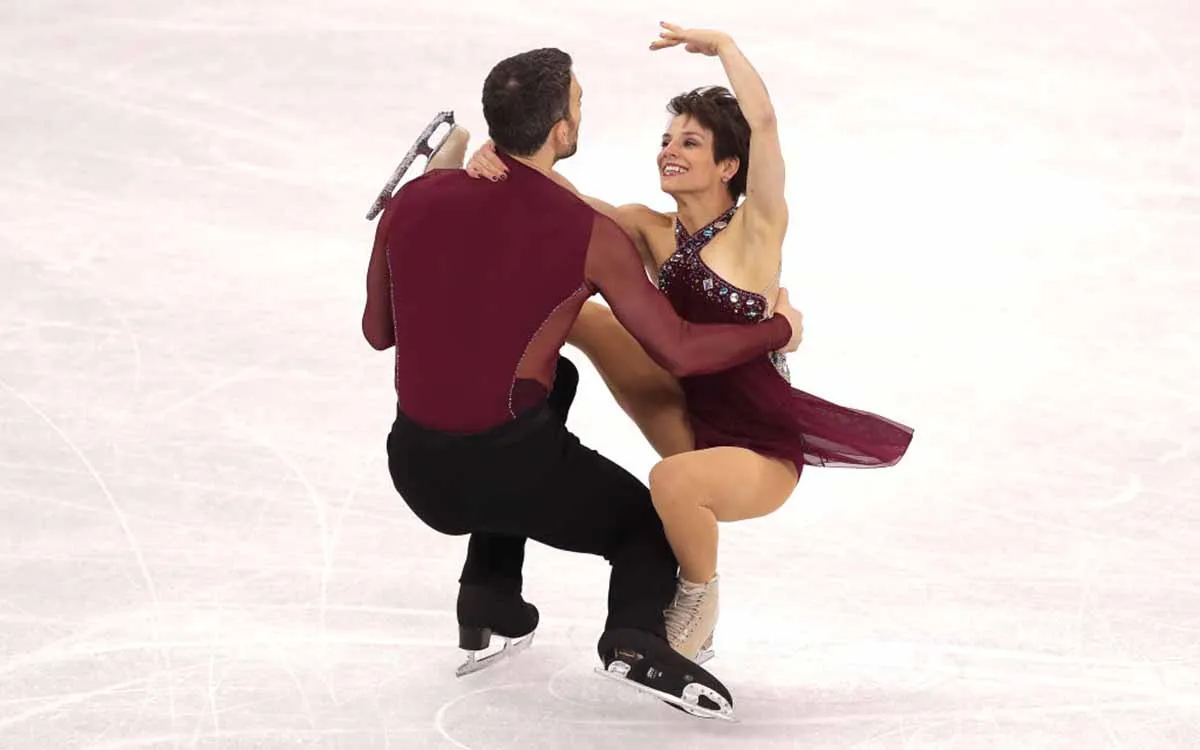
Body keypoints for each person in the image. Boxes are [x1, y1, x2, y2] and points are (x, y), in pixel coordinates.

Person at [361, 46, 803, 719]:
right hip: (507, 466)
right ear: (562, 130)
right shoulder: (595, 234)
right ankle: (633, 638)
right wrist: (778, 330)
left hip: (414, 467)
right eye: (577, 104)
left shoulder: (414, 198)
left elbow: (378, 333)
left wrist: (468, 166)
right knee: (647, 528)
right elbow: (678, 350)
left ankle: (488, 595)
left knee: (556, 378)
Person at [464, 23, 915, 663]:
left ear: (728, 165)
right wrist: (500, 156)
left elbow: (765, 125)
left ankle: (698, 601)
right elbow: (565, 203)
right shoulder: (653, 230)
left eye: (691, 142)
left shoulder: (756, 230)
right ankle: (505, 443)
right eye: (666, 139)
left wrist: (727, 48)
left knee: (671, 483)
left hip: (757, 448)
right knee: (583, 317)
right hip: (686, 413)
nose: (669, 150)